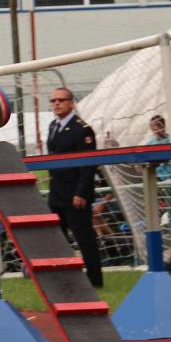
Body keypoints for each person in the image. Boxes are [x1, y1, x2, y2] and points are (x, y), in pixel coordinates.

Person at [46, 87, 104, 288]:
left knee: (84, 237)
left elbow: (87, 165)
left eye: (61, 100)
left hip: (75, 194)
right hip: (57, 193)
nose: (57, 104)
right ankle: (64, 277)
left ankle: (95, 280)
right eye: (53, 100)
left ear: (72, 103)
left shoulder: (82, 129)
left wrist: (81, 193)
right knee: (56, 238)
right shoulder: (53, 126)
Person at [144, 114, 171, 181]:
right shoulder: (150, 143)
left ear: (164, 126)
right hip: (156, 175)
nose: (156, 128)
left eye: (158, 125)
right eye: (153, 126)